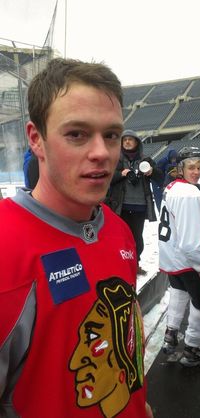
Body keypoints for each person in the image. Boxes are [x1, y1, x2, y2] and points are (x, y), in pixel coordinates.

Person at [0, 58, 153, 418]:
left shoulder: (117, 230)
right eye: (77, 134)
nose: (101, 152)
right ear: (36, 139)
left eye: (111, 135)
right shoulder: (6, 248)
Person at [158, 146, 200, 367]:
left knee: (178, 293)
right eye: (191, 167)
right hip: (188, 259)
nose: (196, 172)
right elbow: (190, 242)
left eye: (198, 167)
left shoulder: (173, 187)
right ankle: (193, 347)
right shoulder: (189, 193)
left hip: (172, 257)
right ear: (180, 167)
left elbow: (177, 220)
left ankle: (171, 334)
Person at [106, 129, 163, 275]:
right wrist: (121, 174)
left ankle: (135, 263)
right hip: (120, 206)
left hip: (140, 206)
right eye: (124, 140)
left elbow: (161, 178)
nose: (127, 142)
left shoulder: (145, 160)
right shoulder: (115, 159)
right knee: (120, 237)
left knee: (137, 237)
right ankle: (120, 264)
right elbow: (107, 178)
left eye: (130, 139)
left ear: (137, 142)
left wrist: (151, 172)